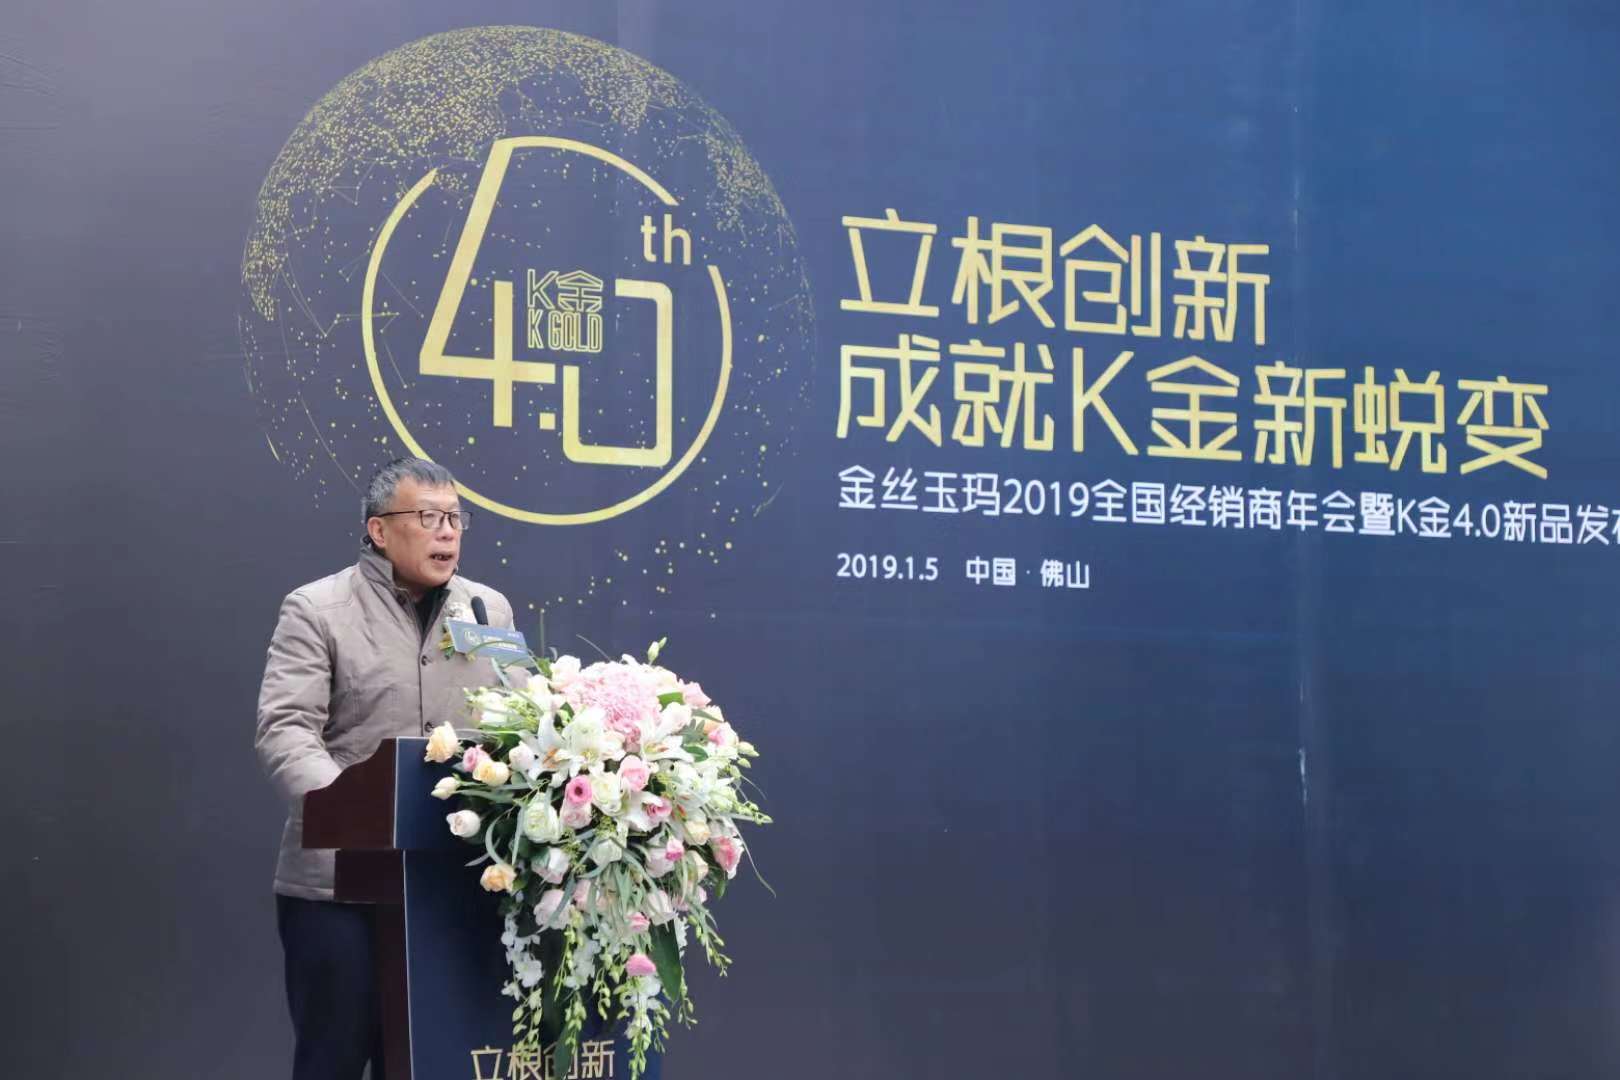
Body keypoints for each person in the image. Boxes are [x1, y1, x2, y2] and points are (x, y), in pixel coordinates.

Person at [255, 457, 516, 1079]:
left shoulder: (487, 610)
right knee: (334, 1060)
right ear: (378, 530)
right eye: (428, 517)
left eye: (455, 518)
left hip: (451, 885)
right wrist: (350, 810)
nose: (447, 531)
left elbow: (516, 721)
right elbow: (285, 728)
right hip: (340, 888)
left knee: (438, 1062)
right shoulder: (318, 609)